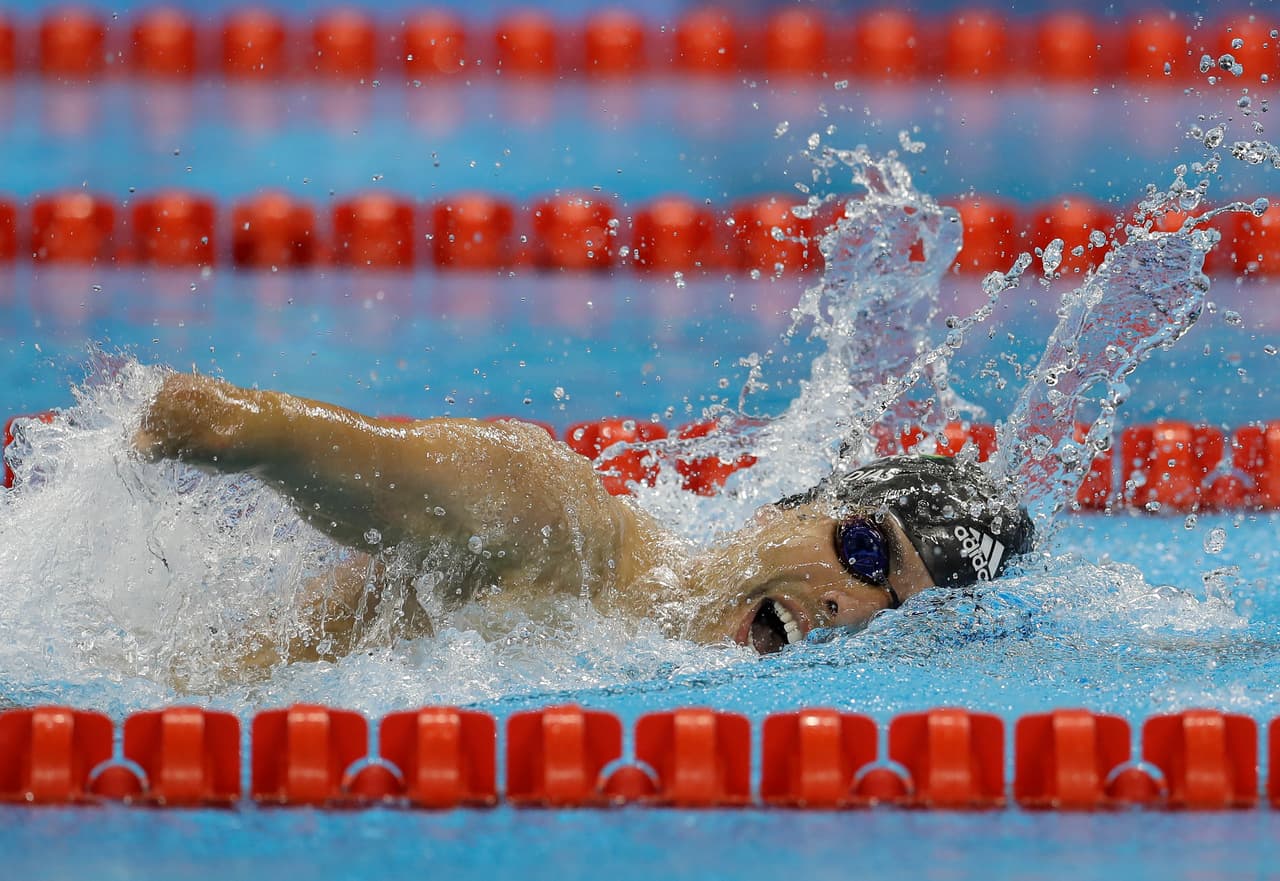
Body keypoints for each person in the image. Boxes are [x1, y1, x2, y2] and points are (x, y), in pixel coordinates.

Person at [134, 372, 1035, 666]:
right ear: (796, 505)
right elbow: (375, 467)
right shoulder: (560, 527)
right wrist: (252, 434)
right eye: (865, 547)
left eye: (893, 602)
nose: (850, 602)